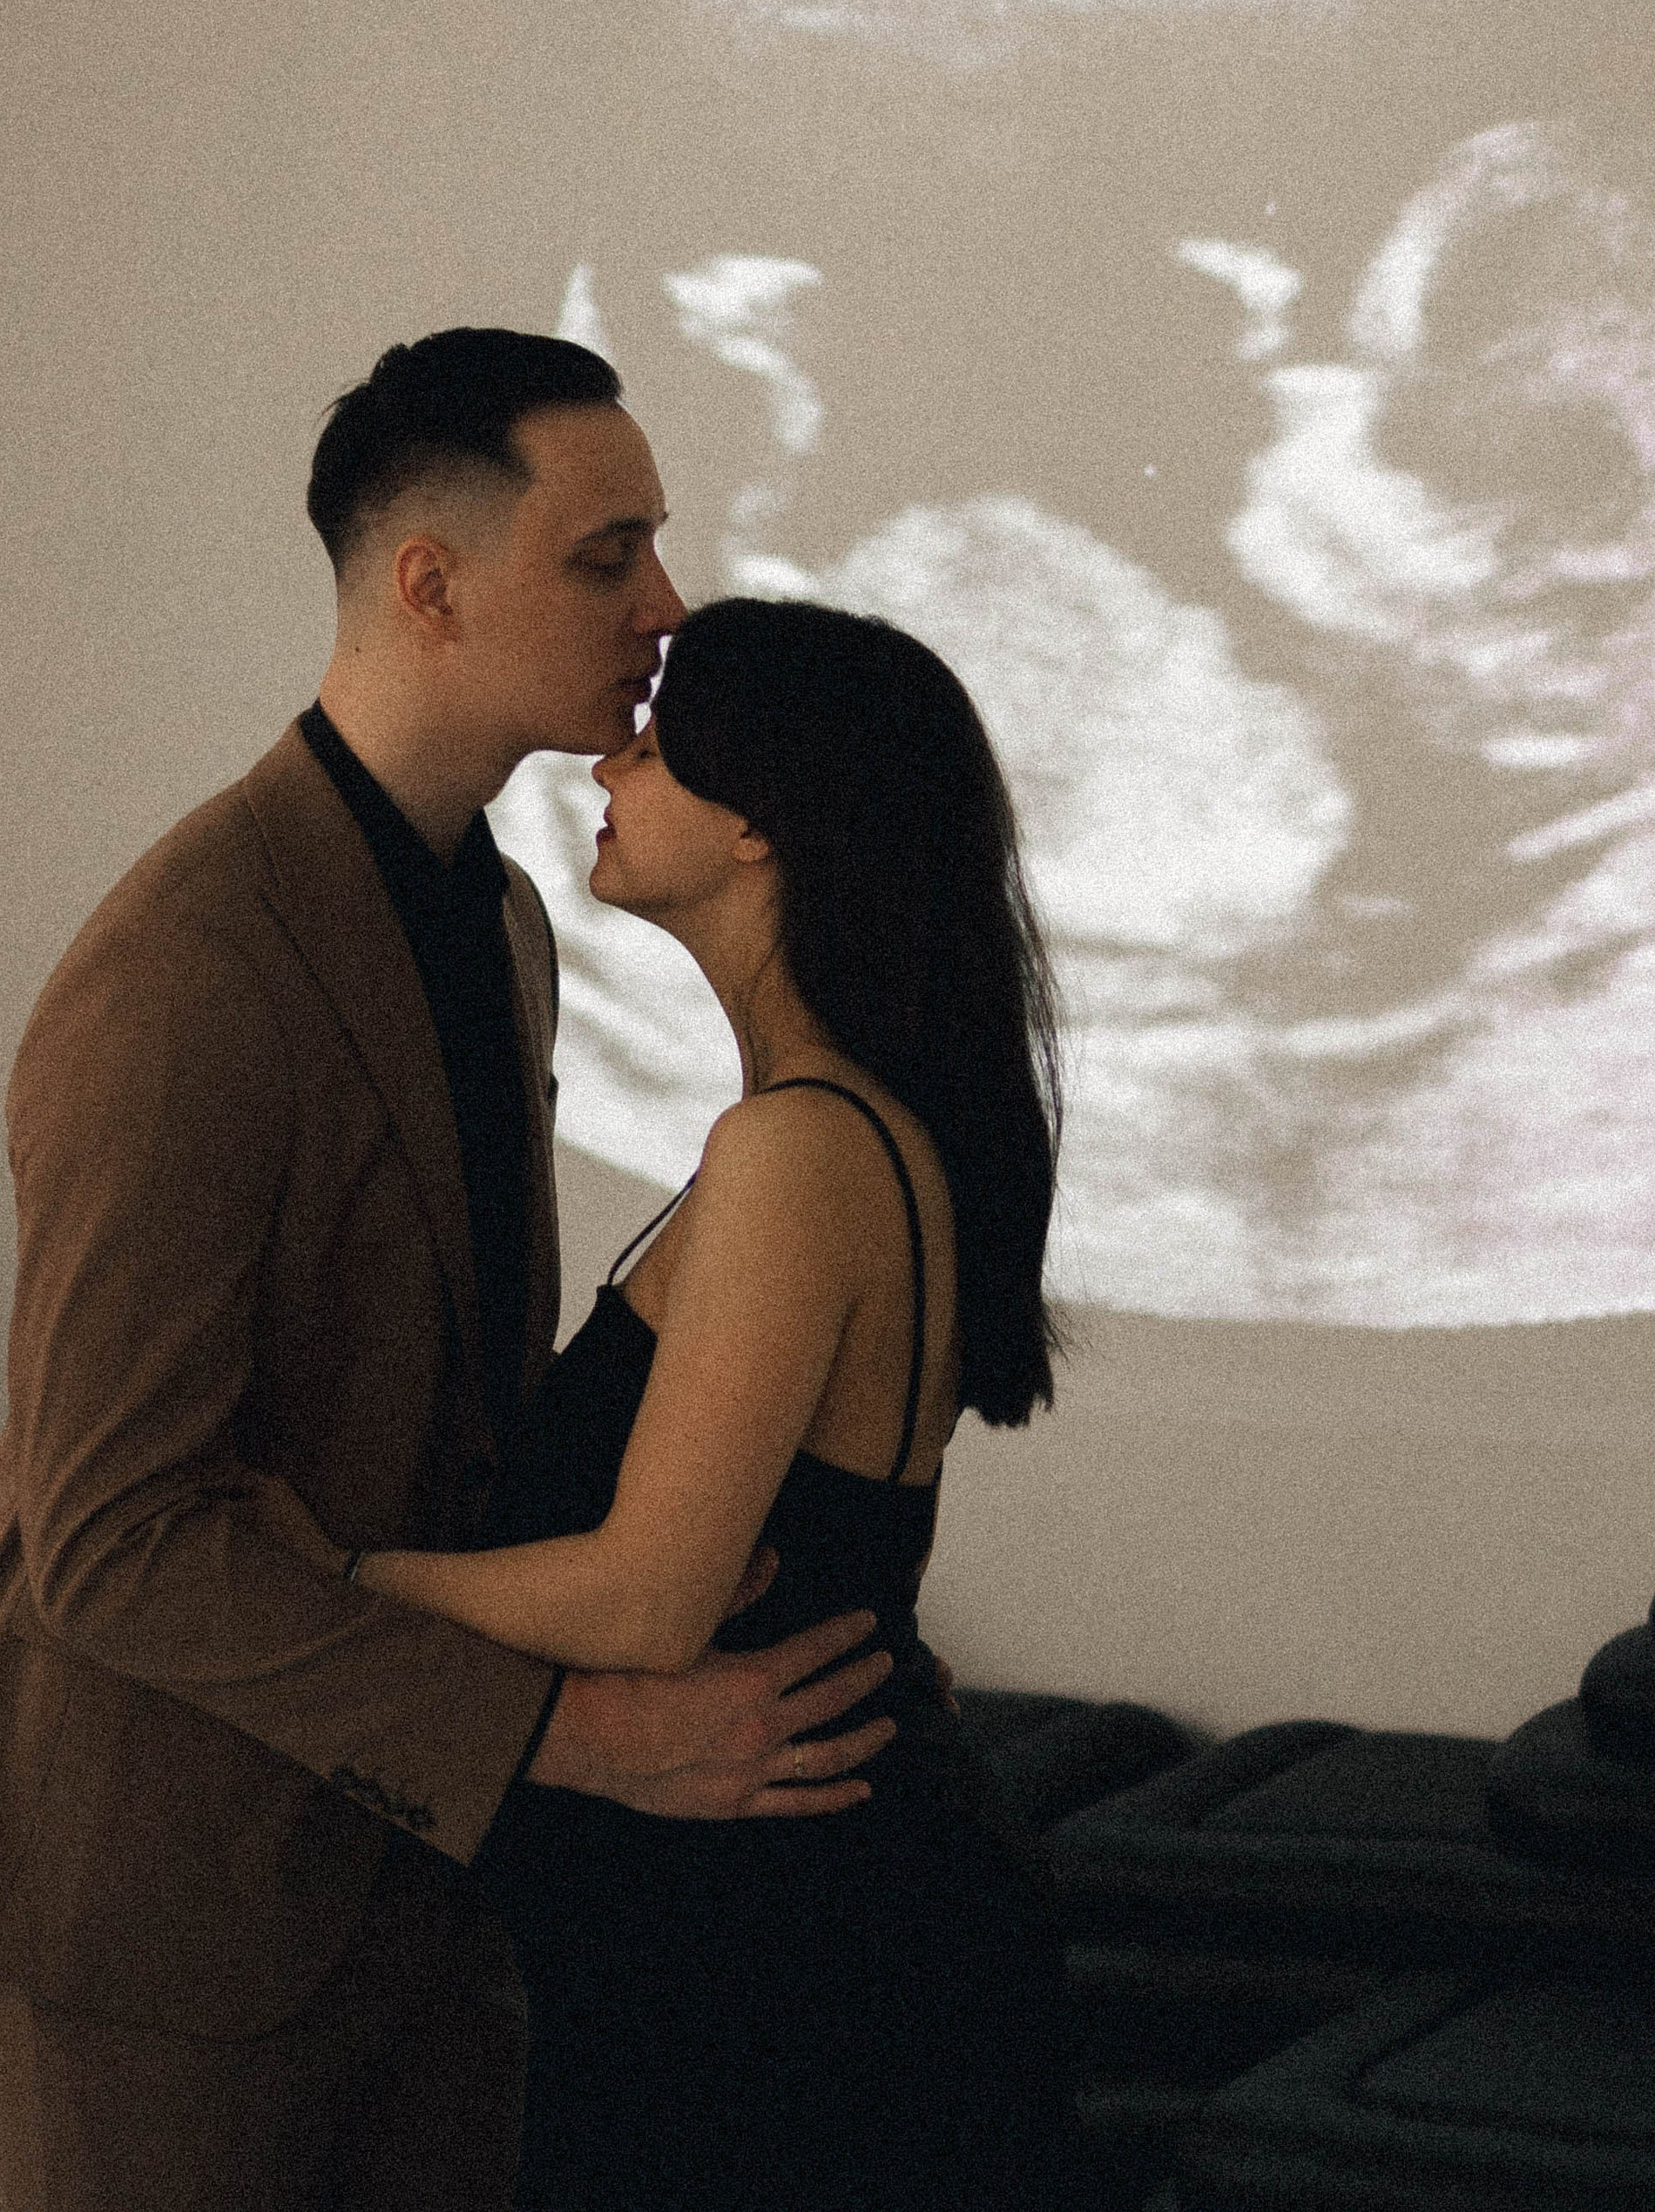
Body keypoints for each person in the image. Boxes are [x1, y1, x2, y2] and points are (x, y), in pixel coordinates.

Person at [0, 330, 898, 2212]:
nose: (664, 607)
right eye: (608, 556)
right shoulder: (185, 971)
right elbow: (114, 1540)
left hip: (414, 1879)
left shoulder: (500, 917)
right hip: (156, 1912)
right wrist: (584, 1736)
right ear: (427, 580)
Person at [252, 592, 1076, 2211]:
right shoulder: (832, 1132)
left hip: (791, 1967)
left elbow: (645, 1598)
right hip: (785, 1929)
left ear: (763, 822)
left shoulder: (798, 1151)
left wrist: (320, 1582)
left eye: (659, 742)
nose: (612, 765)